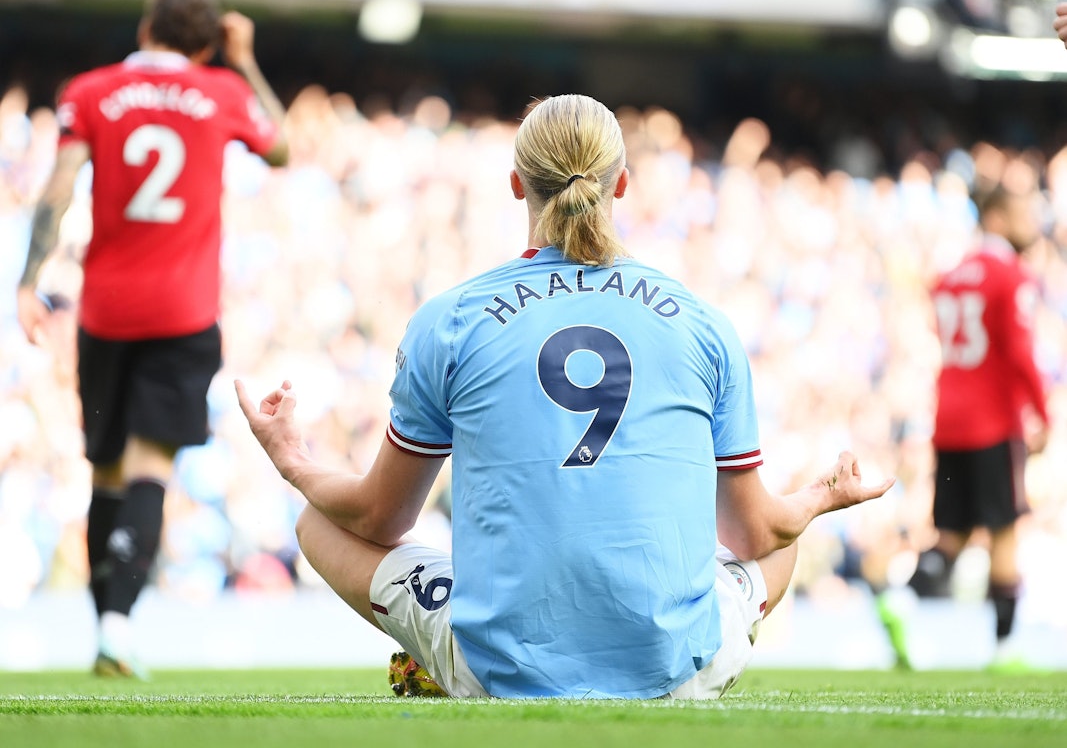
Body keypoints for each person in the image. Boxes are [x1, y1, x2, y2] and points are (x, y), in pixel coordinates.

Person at [236, 93, 892, 699]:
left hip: (496, 673)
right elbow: (754, 533)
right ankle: (678, 670)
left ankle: (447, 661)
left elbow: (378, 519)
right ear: (622, 184)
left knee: (317, 520)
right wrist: (821, 497)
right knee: (783, 537)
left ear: (516, 184)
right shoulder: (703, 322)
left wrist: (294, 461)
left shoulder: (450, 319)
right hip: (673, 673)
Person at [16, 0, 289, 678]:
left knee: (105, 470)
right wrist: (244, 61)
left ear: (144, 29)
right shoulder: (222, 91)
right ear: (209, 45)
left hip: (106, 311)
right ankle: (117, 628)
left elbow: (59, 186)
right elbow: (282, 146)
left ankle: (103, 625)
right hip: (183, 313)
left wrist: (28, 279)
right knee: (149, 468)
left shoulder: (91, 90)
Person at [877, 185, 1049, 671]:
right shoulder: (1010, 274)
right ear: (995, 217)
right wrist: (1044, 413)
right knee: (1005, 530)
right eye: (1021, 211)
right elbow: (1019, 352)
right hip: (994, 421)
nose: (1031, 222)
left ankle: (900, 600)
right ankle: (1005, 648)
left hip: (949, 419)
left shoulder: (950, 276)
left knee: (951, 532)